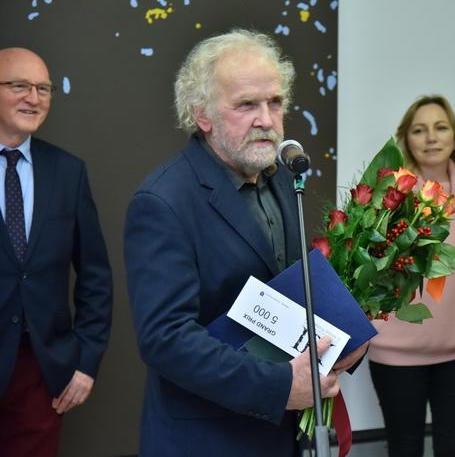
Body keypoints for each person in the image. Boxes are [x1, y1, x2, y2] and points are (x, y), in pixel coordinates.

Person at [124, 28, 366, 456]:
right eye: (246, 105)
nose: (267, 120)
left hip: (281, 437)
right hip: (206, 440)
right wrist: (279, 386)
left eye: (275, 102)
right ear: (202, 115)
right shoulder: (162, 201)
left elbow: (292, 292)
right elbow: (166, 338)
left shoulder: (283, 180)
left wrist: (345, 342)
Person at [0, 47, 113, 456]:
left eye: (43, 89)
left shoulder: (68, 171)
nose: (33, 98)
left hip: (40, 373)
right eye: (19, 86)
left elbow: (95, 276)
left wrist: (86, 362)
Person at [367, 95, 455, 457]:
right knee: (404, 450)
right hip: (397, 352)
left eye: (440, 127)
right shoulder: (389, 199)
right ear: (406, 140)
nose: (431, 138)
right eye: (419, 130)